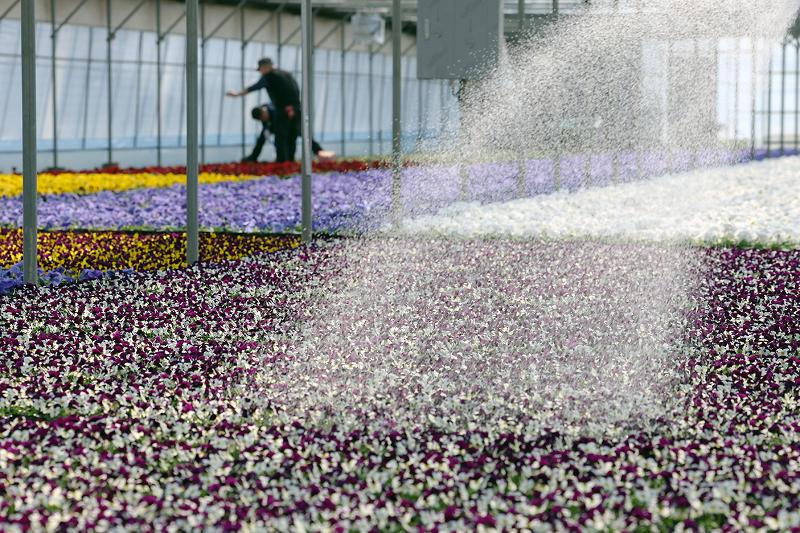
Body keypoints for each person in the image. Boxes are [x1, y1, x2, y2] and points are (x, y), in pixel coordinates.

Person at [227, 58, 302, 163]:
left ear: (265, 67)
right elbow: (296, 90)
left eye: (261, 69)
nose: (261, 72)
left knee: (281, 138)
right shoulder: (285, 74)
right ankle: (290, 162)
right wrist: (294, 107)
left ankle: (282, 164)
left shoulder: (269, 77)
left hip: (283, 111)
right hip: (296, 109)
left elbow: (254, 87)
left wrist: (237, 94)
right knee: (291, 137)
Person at [244, 104, 335, 163]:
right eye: (262, 119)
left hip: (291, 124)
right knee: (262, 139)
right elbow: (266, 129)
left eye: (263, 117)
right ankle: (254, 156)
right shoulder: (264, 116)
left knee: (299, 137)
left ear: (263, 112)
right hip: (277, 127)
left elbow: (282, 133)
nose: (263, 119)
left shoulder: (275, 110)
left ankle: (319, 151)